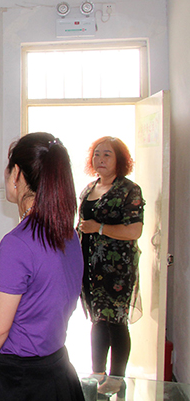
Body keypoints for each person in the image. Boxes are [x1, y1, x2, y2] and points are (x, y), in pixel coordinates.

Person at [0, 133, 84, 401]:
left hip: (18, 381)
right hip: (58, 373)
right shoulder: (69, 235)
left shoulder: (18, 243)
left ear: (17, 174)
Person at [78, 136, 144, 396]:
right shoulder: (89, 188)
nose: (100, 159)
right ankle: (98, 374)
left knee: (116, 321)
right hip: (89, 267)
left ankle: (116, 378)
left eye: (107, 154)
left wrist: (100, 228)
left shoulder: (129, 190)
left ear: (120, 160)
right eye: (96, 154)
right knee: (97, 320)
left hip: (117, 269)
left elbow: (135, 230)